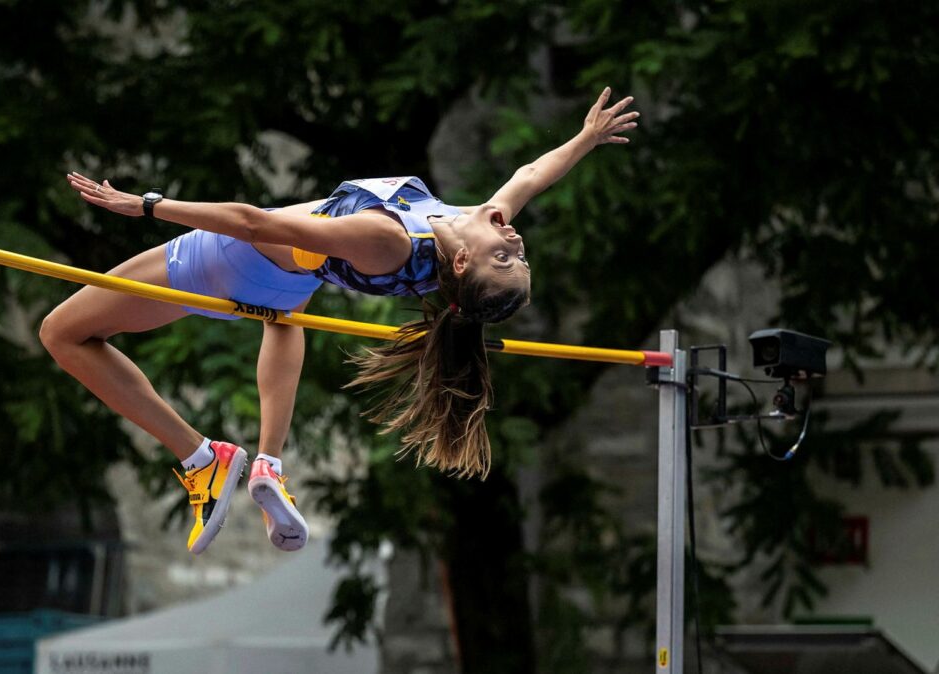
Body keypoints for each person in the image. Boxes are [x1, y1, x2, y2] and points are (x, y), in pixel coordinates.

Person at [40, 87, 638, 555]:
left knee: (62, 333)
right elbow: (532, 175)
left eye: (505, 253)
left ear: (462, 263)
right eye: (517, 251)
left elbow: (254, 223)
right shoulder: (467, 227)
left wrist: (145, 205)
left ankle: (202, 459)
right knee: (283, 319)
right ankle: (268, 461)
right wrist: (586, 137)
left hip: (227, 259)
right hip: (285, 283)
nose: (513, 234)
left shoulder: (386, 239)